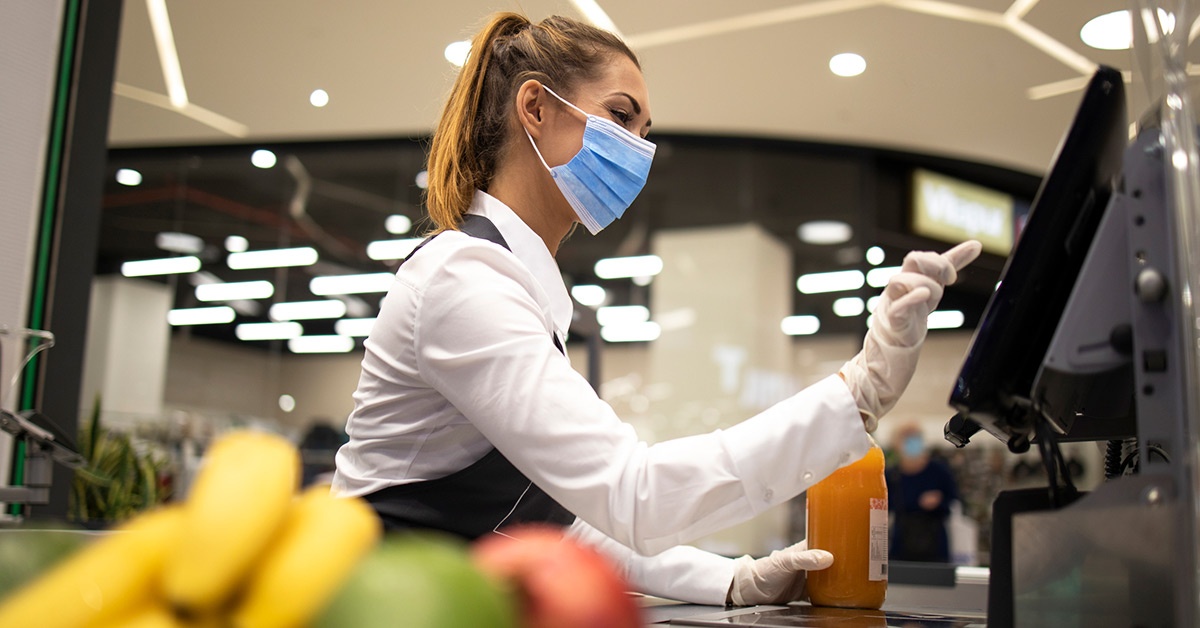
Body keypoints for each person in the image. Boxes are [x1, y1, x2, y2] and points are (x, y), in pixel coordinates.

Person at [331, 11, 982, 606]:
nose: (638, 150)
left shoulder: (513, 283)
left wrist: (732, 579)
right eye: (621, 116)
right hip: (374, 606)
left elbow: (569, 524)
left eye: (645, 131)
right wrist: (859, 390)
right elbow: (632, 493)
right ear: (535, 106)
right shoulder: (463, 280)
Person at [886, 424, 961, 563]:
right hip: (902, 542)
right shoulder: (891, 475)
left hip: (935, 542)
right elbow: (886, 506)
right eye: (906, 437)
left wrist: (939, 501)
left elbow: (954, 499)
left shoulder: (939, 471)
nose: (912, 442)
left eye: (915, 437)